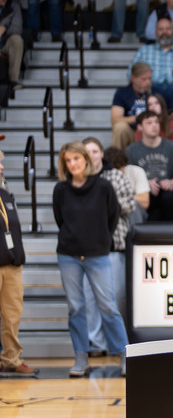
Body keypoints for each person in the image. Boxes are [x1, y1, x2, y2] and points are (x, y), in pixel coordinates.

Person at [53, 142, 129, 377]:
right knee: (76, 307)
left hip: (97, 254)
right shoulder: (60, 190)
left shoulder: (104, 187)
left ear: (86, 159)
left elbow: (113, 217)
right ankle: (81, 358)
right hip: (69, 255)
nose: (72, 164)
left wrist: (100, 241)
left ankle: (126, 356)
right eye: (68, 160)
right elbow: (60, 219)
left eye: (76, 158)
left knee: (108, 306)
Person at [0, 148, 35, 376]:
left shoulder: (5, 193)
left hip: (11, 263)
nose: (2, 167)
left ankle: (10, 358)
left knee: (12, 314)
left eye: (1, 162)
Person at [126, 109, 173, 221]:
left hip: (167, 193)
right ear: (140, 127)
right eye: (149, 123)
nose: (154, 125)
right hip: (145, 193)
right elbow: (129, 177)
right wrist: (146, 184)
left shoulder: (172, 147)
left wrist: (171, 182)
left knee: (169, 197)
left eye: (156, 122)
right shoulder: (131, 150)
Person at [110, 61, 151, 150]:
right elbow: (115, 120)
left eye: (149, 78)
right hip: (131, 131)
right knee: (120, 127)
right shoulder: (123, 93)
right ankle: (117, 160)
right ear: (133, 78)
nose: (148, 82)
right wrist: (137, 118)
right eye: (144, 79)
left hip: (150, 129)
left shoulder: (155, 92)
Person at [0, 0, 24, 90]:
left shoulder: (14, 7)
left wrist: (4, 28)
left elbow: (16, 28)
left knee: (17, 40)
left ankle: (13, 80)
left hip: (5, 43)